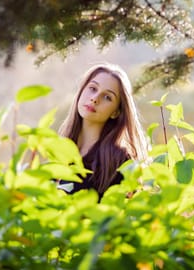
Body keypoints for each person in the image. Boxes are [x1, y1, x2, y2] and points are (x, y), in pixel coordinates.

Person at [58, 63, 148, 197]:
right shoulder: (58, 151)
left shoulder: (118, 161)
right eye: (93, 88)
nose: (95, 99)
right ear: (82, 90)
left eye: (107, 97)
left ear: (116, 112)